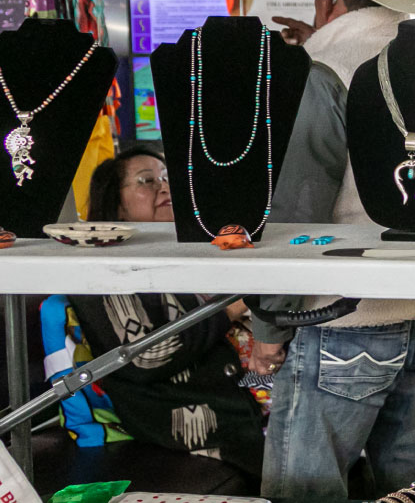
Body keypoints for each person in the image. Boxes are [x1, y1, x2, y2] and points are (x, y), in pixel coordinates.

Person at [252, 0, 415, 498]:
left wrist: (268, 324)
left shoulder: (327, 69)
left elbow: (301, 210)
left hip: (341, 312)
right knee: (409, 500)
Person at [43, 146, 266, 473]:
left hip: (245, 398)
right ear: (117, 204)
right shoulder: (102, 270)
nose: (163, 187)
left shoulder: (189, 250)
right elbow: (146, 357)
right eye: (146, 181)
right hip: (191, 419)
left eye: (167, 179)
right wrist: (229, 310)